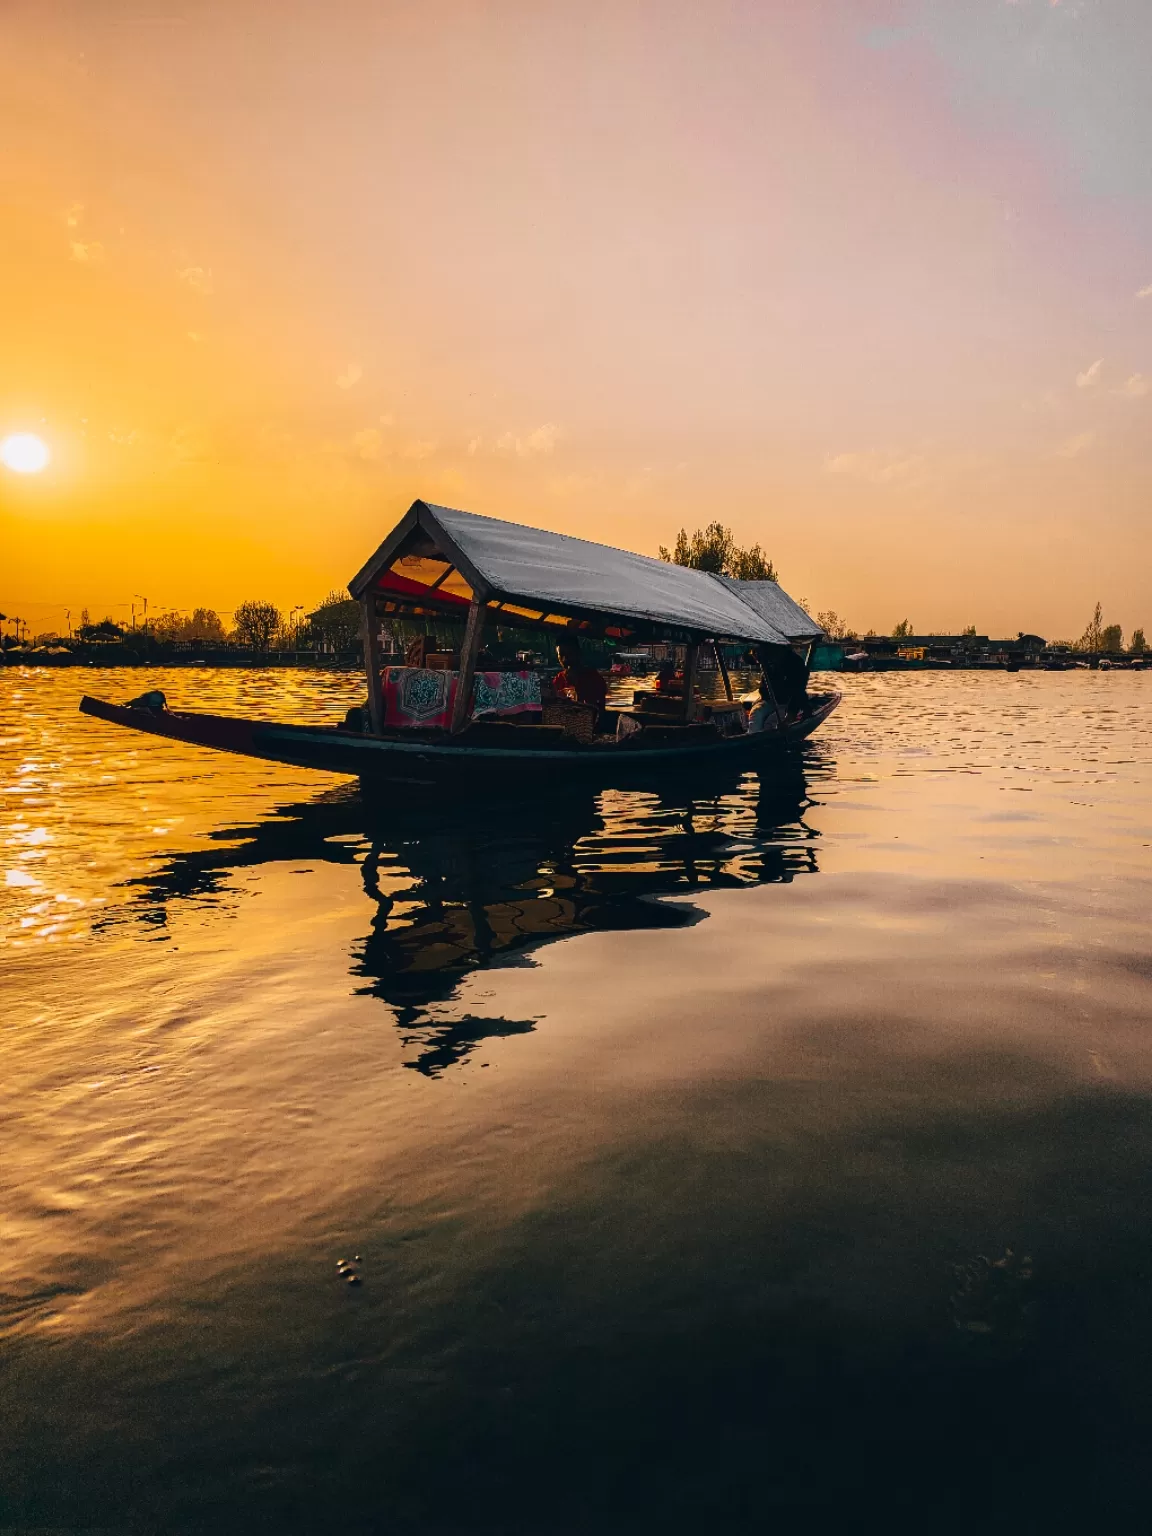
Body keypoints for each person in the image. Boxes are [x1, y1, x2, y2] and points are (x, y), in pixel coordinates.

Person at [553, 638, 608, 712]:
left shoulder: (593, 678)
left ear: (578, 653)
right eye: (561, 655)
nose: (565, 659)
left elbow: (599, 707)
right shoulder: (559, 679)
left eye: (569, 654)